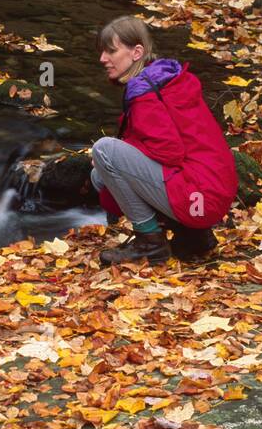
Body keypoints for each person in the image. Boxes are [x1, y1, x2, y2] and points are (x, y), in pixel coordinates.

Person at [90, 15, 238, 266]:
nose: (103, 59)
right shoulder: (163, 79)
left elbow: (168, 151)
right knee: (99, 175)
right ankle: (194, 236)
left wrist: (119, 154)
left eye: (111, 51)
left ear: (137, 52)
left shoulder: (146, 94)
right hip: (211, 195)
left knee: (104, 152)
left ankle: (150, 244)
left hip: (201, 197)